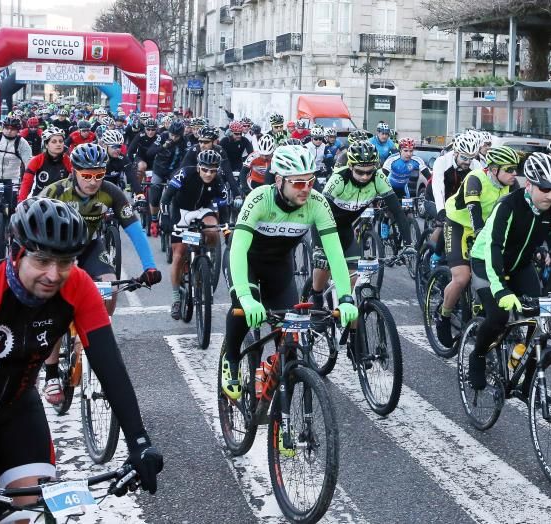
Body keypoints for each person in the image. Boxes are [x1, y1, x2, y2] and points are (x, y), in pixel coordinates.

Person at [0, 198, 163, 523]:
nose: (54, 275)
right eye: (42, 260)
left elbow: (111, 368)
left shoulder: (79, 287)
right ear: (17, 251)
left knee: (26, 513)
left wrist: (139, 442)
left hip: (14, 408)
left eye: (65, 262)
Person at [222, 144, 359, 404]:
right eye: (298, 183)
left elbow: (335, 254)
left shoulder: (317, 203)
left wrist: (346, 297)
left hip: (279, 268)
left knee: (291, 344)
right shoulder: (259, 198)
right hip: (246, 262)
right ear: (279, 180)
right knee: (243, 307)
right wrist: (246, 297)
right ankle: (230, 360)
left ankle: (281, 421)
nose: (306, 188)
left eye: (310, 181)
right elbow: (238, 249)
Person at [465, 152, 551, 389]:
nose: (550, 195)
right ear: (529, 184)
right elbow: (493, 248)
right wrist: (500, 289)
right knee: (498, 316)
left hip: (520, 264)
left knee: (539, 319)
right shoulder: (508, 206)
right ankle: (477, 356)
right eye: (545, 189)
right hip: (485, 261)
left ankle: (525, 376)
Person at [38, 143, 161, 404]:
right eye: (87, 176)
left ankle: (96, 331)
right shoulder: (55, 191)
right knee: (55, 311)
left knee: (109, 287)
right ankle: (50, 373)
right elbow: (29, 223)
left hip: (91, 247)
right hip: (58, 251)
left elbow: (134, 230)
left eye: (99, 175)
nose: (94, 181)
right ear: (75, 172)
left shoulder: (111, 192)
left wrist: (149, 266)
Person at [308, 141, 415, 335]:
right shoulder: (339, 180)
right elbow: (318, 214)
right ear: (350, 166)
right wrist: (318, 248)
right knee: (322, 265)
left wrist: (408, 244)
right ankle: (316, 299)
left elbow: (398, 212)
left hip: (346, 229)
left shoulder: (378, 178)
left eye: (369, 171)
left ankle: (353, 339)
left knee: (351, 280)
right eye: (360, 172)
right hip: (326, 227)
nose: (366, 176)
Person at [435, 145, 520, 346]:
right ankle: (443, 315)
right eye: (509, 169)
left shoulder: (512, 185)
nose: (514, 174)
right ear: (493, 169)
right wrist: (482, 239)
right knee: (462, 277)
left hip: (487, 230)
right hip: (459, 225)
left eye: (515, 168)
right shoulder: (475, 178)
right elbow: (474, 210)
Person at [161, 149, 239, 318]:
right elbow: (166, 198)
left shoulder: (218, 182)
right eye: (205, 169)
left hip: (202, 210)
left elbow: (224, 211)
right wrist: (165, 219)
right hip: (181, 212)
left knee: (212, 229)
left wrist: (225, 231)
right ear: (198, 167)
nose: (209, 174)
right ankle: (176, 298)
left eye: (213, 170)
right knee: (179, 254)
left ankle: (206, 259)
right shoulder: (185, 174)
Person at [147, 121, 190, 236]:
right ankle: (154, 219)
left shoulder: (185, 141)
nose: (173, 137)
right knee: (155, 192)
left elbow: (189, 158)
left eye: (176, 136)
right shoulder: (163, 136)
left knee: (178, 190)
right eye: (172, 134)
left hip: (174, 171)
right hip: (159, 169)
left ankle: (177, 216)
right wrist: (163, 146)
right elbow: (150, 152)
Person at [19, 126, 70, 201]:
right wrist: (21, 201)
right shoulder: (37, 160)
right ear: (46, 145)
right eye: (54, 142)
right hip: (40, 199)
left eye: (61, 141)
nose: (58, 144)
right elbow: (27, 183)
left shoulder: (67, 160)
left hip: (61, 200)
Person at [100, 129, 143, 195]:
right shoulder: (98, 158)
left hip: (114, 188)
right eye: (114, 147)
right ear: (105, 146)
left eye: (119, 146)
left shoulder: (122, 158)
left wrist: (139, 193)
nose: (118, 149)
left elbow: (132, 176)